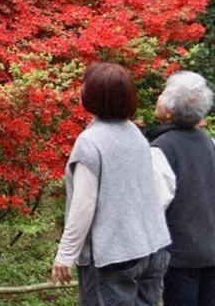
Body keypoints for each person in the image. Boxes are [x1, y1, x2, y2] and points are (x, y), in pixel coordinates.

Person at [51, 61, 171, 305]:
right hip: (153, 246)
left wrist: (65, 255)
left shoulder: (90, 142)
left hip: (114, 257)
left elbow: (83, 206)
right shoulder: (135, 134)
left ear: (93, 95)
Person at [145, 71, 215, 306]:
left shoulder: (161, 149)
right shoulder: (208, 142)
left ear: (170, 110)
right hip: (210, 251)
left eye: (164, 94)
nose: (159, 97)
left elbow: (155, 206)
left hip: (179, 258)